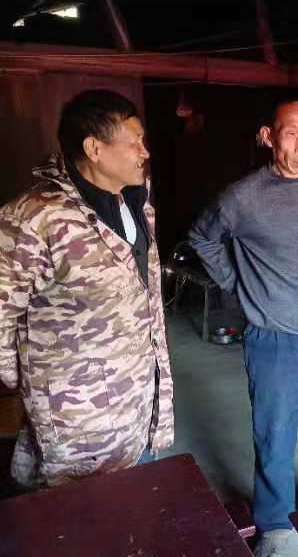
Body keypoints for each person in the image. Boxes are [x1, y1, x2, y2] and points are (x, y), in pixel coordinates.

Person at [189, 100, 298, 557]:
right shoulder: (242, 197)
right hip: (271, 334)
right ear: (268, 136)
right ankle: (275, 521)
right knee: (274, 431)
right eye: (290, 134)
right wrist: (237, 285)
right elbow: (203, 238)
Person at [0, 89, 174, 488]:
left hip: (138, 396)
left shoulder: (136, 202)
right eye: (134, 142)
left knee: (135, 501)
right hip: (76, 414)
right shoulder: (35, 218)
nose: (145, 152)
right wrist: (27, 379)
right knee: (81, 512)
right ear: (94, 149)